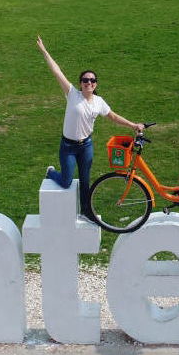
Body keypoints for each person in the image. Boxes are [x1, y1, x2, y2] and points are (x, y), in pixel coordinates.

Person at [36, 36, 144, 219]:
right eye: (85, 80)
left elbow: (113, 116)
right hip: (68, 147)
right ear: (80, 83)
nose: (89, 83)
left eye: (92, 80)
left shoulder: (99, 102)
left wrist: (133, 125)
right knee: (66, 181)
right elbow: (57, 72)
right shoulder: (72, 94)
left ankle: (87, 212)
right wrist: (44, 51)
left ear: (96, 84)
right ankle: (51, 172)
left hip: (85, 146)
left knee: (85, 181)